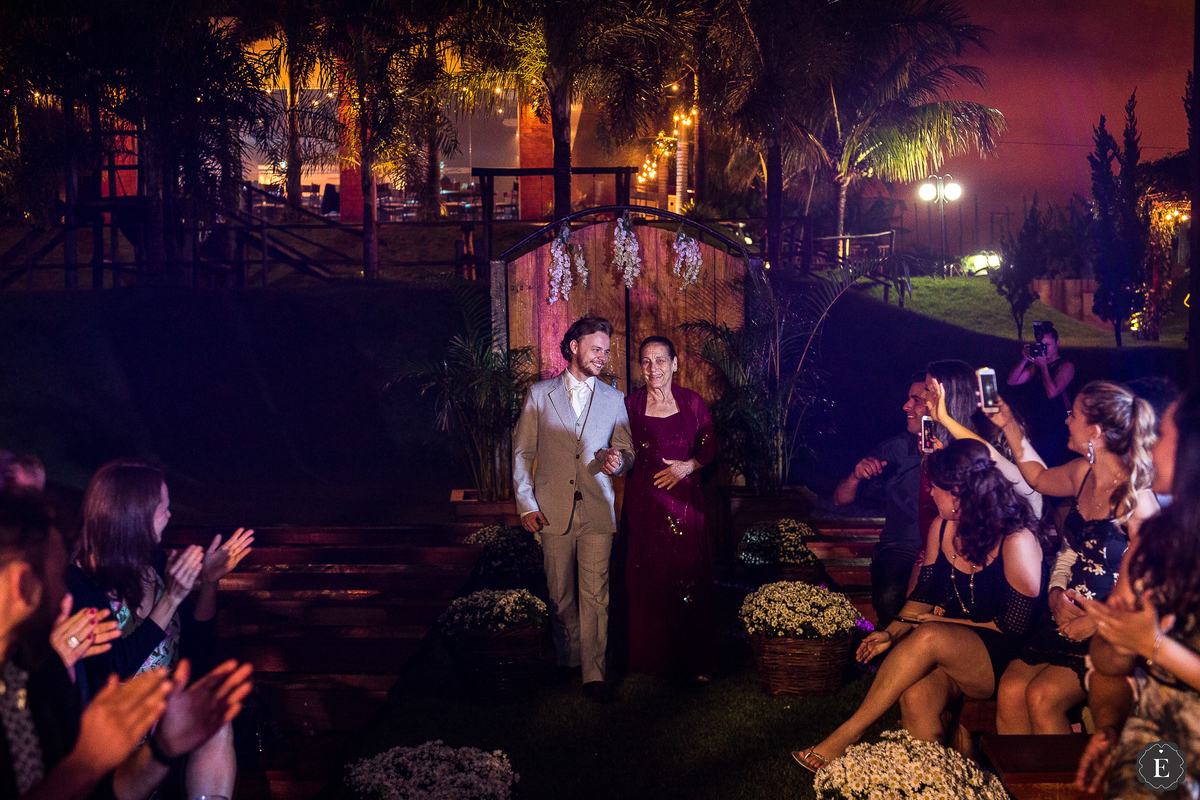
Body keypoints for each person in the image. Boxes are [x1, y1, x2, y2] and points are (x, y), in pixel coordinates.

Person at [791, 438, 1042, 772]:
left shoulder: (1016, 539)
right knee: (916, 696)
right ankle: (944, 784)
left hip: (1006, 656)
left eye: (935, 488)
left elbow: (1015, 625)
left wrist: (940, 624)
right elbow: (923, 595)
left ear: (960, 493)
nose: (930, 495)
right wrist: (891, 634)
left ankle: (847, 735)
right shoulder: (942, 528)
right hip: (954, 647)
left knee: (931, 635)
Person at [0, 489, 252, 800]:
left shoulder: (21, 680)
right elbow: (114, 667)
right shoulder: (32, 676)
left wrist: (163, 748)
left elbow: (104, 795)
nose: (65, 600)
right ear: (22, 585)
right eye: (56, 579)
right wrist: (87, 761)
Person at [68, 460, 254, 799]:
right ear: (134, 515)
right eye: (162, 508)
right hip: (114, 732)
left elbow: (196, 649)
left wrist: (210, 582)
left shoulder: (153, 562)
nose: (169, 515)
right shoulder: (81, 582)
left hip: (161, 718)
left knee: (216, 720)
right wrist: (170, 597)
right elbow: (116, 665)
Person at [990, 381, 1158, 736]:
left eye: (1074, 415)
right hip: (1067, 617)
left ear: (1094, 431)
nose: (1066, 420)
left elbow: (1155, 584)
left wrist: (1097, 623)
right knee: (1009, 690)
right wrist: (1008, 425)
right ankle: (1021, 789)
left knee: (1042, 696)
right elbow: (1036, 477)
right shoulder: (1083, 473)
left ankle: (1068, 788)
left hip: (1112, 631)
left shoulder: (1136, 499)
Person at [1076, 389, 1200, 797]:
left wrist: (1154, 645)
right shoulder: (1153, 543)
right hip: (1159, 743)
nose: (1148, 444)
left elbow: (1151, 645)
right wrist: (1110, 728)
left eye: (1162, 435)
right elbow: (1109, 665)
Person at [512, 316, 635, 702]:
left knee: (596, 594)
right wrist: (525, 505)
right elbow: (522, 453)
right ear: (574, 347)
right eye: (596, 348)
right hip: (551, 510)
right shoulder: (539, 395)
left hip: (597, 510)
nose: (602, 356)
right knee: (560, 593)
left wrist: (620, 460)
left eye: (606, 350)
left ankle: (594, 674)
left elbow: (626, 450)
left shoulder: (614, 399)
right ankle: (568, 659)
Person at [619, 336, 716, 678]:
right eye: (646, 361)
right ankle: (651, 661)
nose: (653, 368)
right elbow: (620, 450)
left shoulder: (692, 402)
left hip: (684, 506)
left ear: (675, 364)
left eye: (660, 360)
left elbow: (708, 449)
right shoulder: (630, 405)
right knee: (646, 579)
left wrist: (687, 466)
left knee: (688, 578)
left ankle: (695, 660)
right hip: (645, 505)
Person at [833, 371, 926, 627]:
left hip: (948, 547)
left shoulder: (960, 448)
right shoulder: (895, 450)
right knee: (889, 598)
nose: (906, 406)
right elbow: (841, 499)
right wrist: (855, 475)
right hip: (903, 547)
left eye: (916, 399)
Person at [1007, 321, 1074, 466]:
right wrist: (1025, 359)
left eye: (1048, 344)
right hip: (1038, 425)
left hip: (1057, 427)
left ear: (1057, 343)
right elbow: (1012, 381)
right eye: (1041, 345)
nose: (1045, 349)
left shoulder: (1066, 366)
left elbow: (1052, 392)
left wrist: (1043, 366)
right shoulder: (1036, 367)